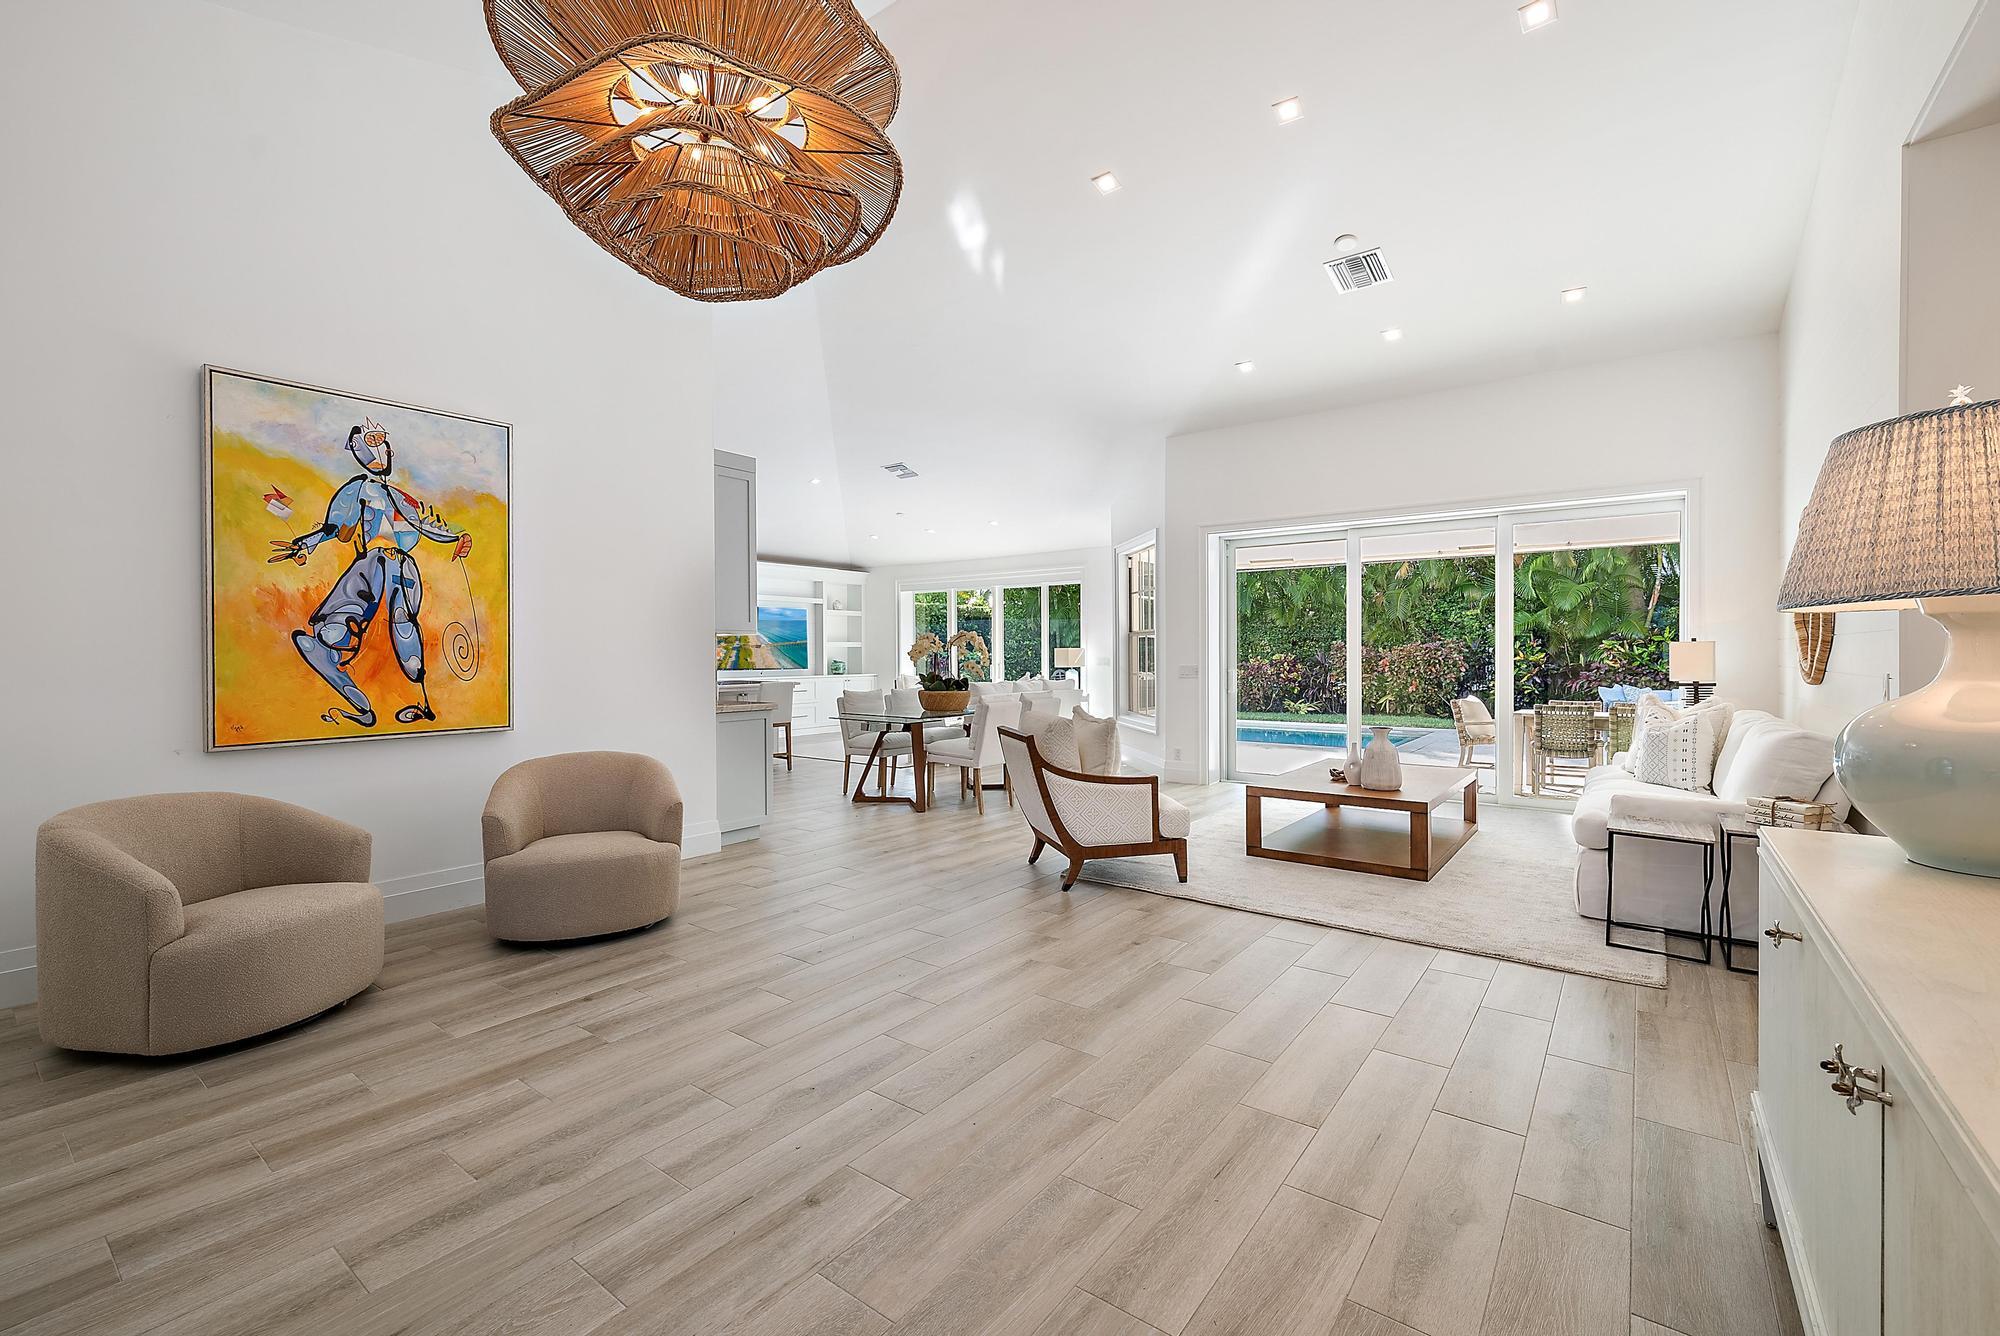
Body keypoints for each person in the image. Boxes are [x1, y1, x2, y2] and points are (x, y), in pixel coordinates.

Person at [269, 419, 469, 728]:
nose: (383, 447)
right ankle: (329, 650)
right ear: (358, 449)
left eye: (384, 440)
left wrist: (457, 538)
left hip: (402, 565)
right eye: (374, 439)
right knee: (348, 606)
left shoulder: (402, 499)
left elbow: (426, 526)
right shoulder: (357, 490)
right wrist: (304, 545)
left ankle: (420, 696)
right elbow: (333, 528)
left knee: (404, 623)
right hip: (374, 560)